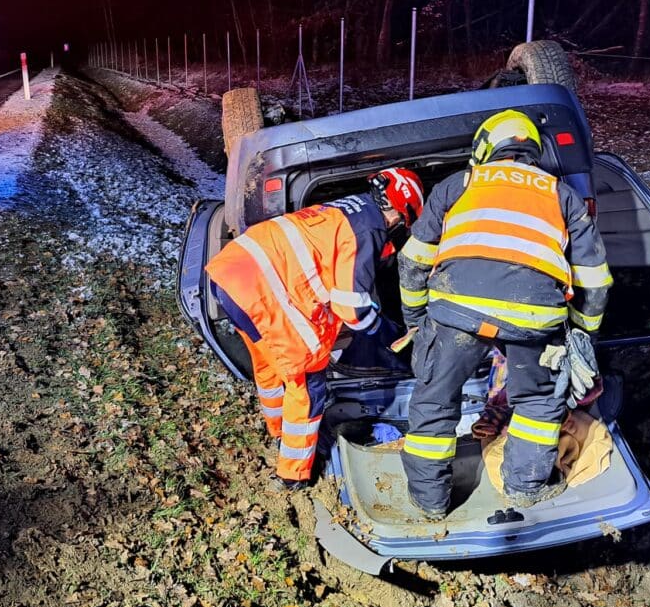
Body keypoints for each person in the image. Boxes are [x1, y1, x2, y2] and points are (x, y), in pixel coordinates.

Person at [397, 110, 612, 517]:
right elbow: (596, 282)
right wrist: (582, 334)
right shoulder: (561, 194)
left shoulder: (458, 185)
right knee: (539, 403)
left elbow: (412, 263)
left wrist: (416, 321)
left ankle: (430, 505)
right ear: (532, 150)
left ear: (484, 148)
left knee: (434, 400)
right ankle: (524, 490)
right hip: (534, 316)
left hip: (456, 310)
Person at [206, 168, 425, 490]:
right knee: (308, 382)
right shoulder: (368, 229)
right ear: (398, 211)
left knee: (269, 365)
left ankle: (278, 431)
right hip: (264, 289)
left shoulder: (346, 209)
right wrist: (387, 336)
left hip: (229, 277)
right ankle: (293, 475)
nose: (396, 227)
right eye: (401, 221)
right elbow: (352, 308)